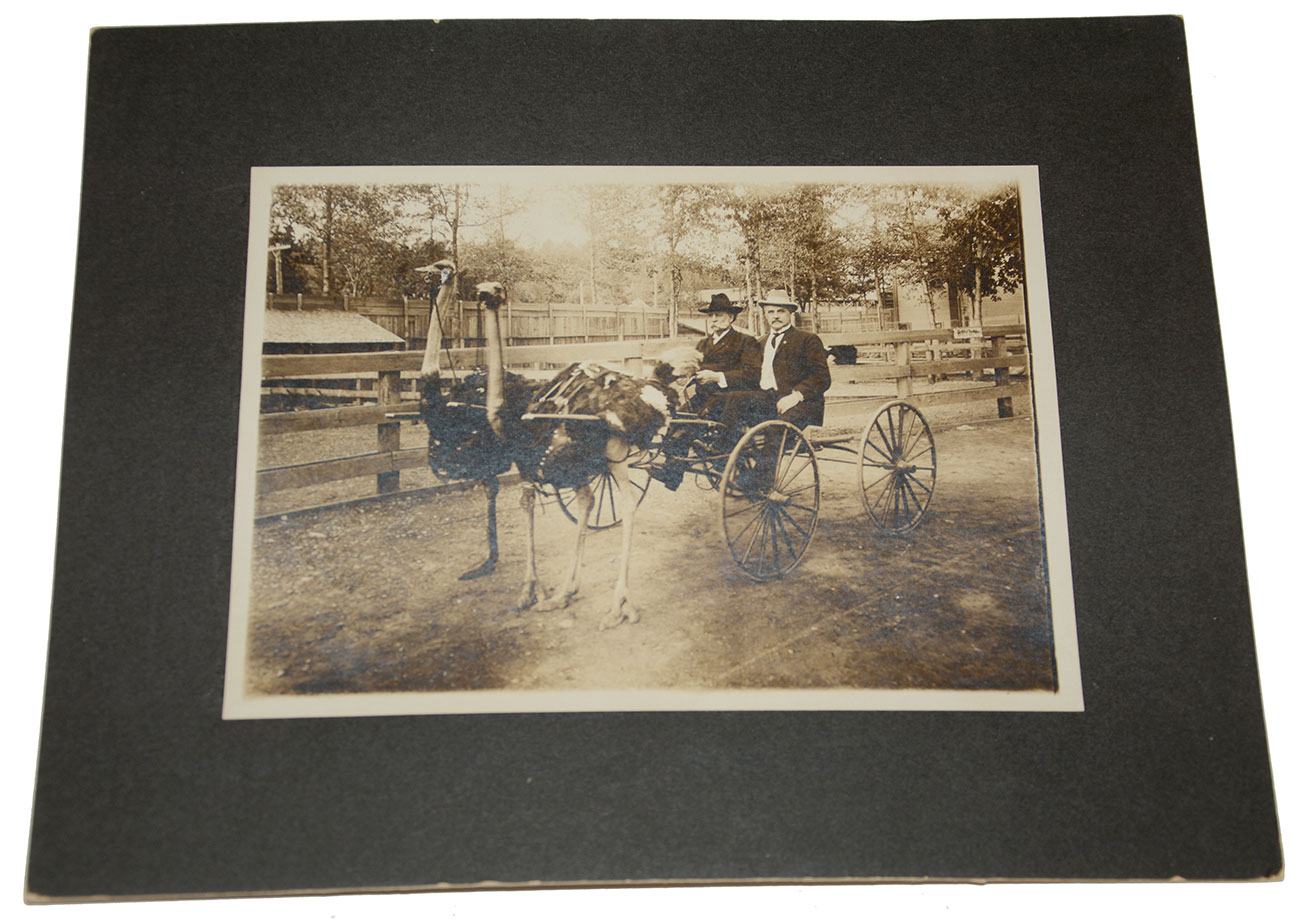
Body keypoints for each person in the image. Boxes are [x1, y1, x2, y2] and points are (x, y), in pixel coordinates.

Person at [720, 289, 831, 432]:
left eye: (781, 311)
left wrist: (796, 396)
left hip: (801, 405)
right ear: (765, 315)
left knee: (774, 430)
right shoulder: (760, 343)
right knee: (735, 398)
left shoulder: (806, 339)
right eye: (771, 312)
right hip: (769, 401)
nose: (776, 316)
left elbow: (822, 378)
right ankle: (722, 448)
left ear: (790, 313)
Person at [692, 292, 761, 417]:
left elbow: (753, 375)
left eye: (718, 315)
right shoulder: (702, 344)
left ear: (731, 317)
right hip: (701, 399)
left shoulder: (746, 341)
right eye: (710, 315)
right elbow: (693, 370)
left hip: (730, 402)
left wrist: (717, 377)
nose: (713, 319)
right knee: (674, 420)